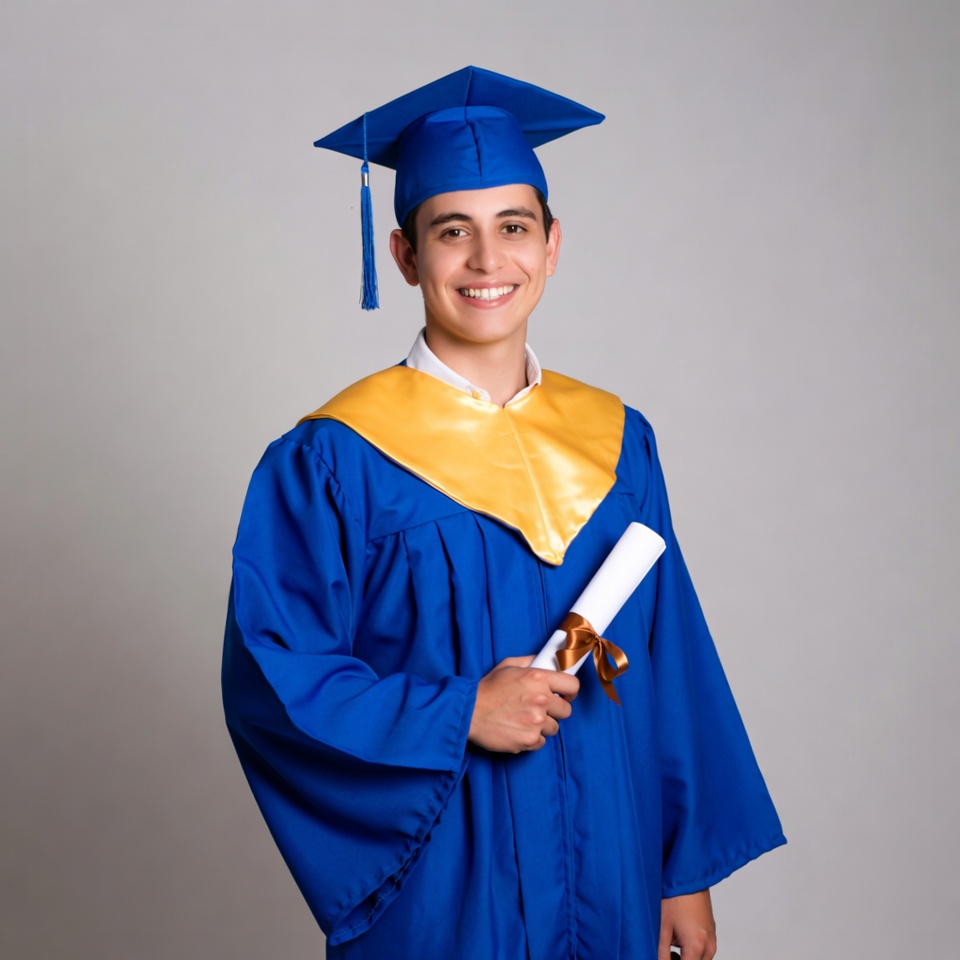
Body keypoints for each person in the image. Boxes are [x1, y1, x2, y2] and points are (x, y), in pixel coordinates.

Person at [222, 66, 785, 960]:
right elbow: (274, 680)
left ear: (553, 245)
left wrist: (683, 872)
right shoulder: (333, 458)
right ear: (407, 256)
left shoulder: (617, 441)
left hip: (615, 868)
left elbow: (670, 662)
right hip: (444, 887)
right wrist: (459, 713)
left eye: (514, 227)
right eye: (454, 232)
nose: (488, 262)